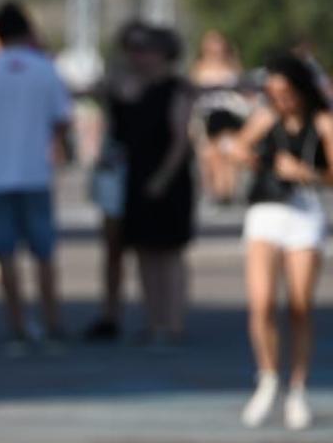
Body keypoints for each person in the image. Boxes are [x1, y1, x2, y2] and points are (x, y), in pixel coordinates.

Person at [0, 1, 73, 357]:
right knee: (44, 253)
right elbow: (62, 119)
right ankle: (52, 324)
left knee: (4, 255)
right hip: (35, 173)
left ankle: (17, 326)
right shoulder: (46, 69)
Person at [226, 54, 333, 430]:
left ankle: (298, 387)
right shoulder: (265, 118)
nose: (280, 99)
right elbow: (235, 148)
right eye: (273, 92)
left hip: (305, 211)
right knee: (262, 302)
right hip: (266, 211)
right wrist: (254, 159)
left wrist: (307, 173)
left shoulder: (323, 123)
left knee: (300, 306)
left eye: (286, 92)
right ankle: (268, 377)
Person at [119, 28, 196, 351]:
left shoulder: (177, 89)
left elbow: (180, 139)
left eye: (145, 51)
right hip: (136, 175)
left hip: (168, 179)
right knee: (143, 250)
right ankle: (154, 320)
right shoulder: (132, 88)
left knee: (170, 251)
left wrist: (163, 177)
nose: (138, 57)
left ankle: (173, 322)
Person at [84, 23, 151, 344]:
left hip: (144, 168)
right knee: (113, 245)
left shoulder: (158, 83)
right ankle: (111, 311)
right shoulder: (113, 80)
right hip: (115, 168)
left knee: (148, 244)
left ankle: (155, 314)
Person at [192, 30, 250, 205]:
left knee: (229, 153)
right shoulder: (199, 67)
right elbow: (193, 95)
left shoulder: (233, 66)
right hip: (208, 116)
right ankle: (217, 193)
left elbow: (243, 91)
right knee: (210, 155)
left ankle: (229, 192)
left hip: (230, 115)